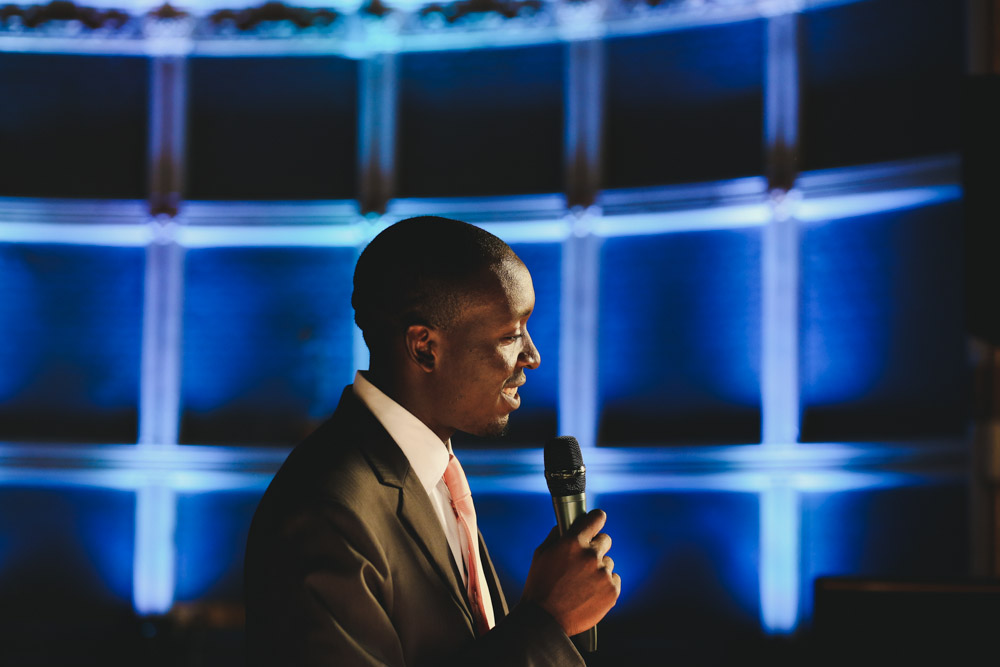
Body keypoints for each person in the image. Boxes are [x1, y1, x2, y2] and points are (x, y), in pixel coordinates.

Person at [244, 216, 620, 666]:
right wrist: (546, 621)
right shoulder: (324, 511)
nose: (532, 357)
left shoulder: (434, 477)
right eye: (511, 334)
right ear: (424, 347)